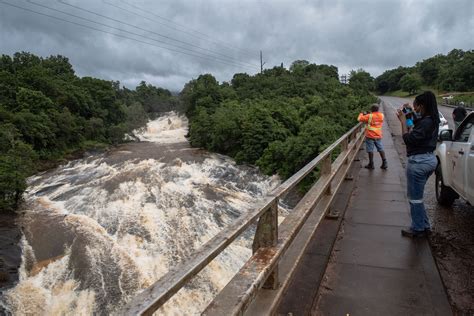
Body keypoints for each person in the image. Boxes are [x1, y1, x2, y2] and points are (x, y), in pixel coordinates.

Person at [396, 91, 439, 238]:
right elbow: (415, 122)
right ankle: (425, 225)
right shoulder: (431, 119)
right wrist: (407, 113)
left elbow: (408, 139)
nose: (415, 109)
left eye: (416, 106)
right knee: (418, 197)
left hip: (419, 162)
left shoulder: (427, 122)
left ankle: (418, 229)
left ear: (422, 105)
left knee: (414, 198)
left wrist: (402, 122)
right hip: (428, 160)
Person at [357, 104, 387, 170]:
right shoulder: (381, 115)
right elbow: (375, 117)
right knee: (380, 148)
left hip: (370, 135)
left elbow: (359, 119)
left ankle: (371, 164)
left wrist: (361, 113)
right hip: (378, 135)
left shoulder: (369, 116)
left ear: (372, 109)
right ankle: (384, 162)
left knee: (370, 149)